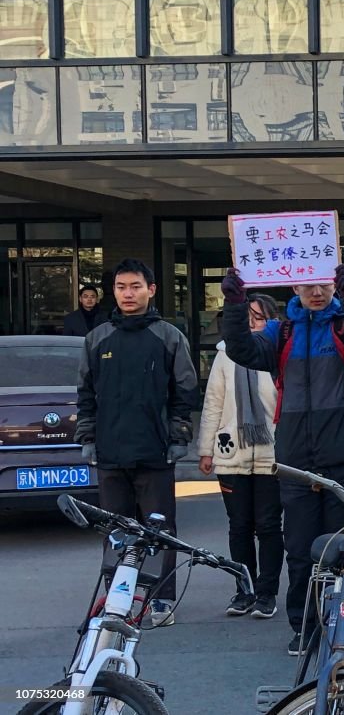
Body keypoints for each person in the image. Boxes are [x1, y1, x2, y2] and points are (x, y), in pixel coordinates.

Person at [220, 264, 344, 655]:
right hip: (296, 461)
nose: (316, 292)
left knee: (339, 550)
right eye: (308, 284)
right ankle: (304, 626)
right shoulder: (282, 332)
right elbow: (241, 349)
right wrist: (234, 302)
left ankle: (338, 624)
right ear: (294, 284)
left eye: (324, 285)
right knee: (300, 550)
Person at [75, 258, 199, 626]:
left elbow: (186, 390)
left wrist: (179, 436)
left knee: (160, 530)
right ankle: (119, 598)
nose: (128, 294)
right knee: (116, 531)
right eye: (121, 287)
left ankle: (161, 599)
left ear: (151, 290)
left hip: (155, 451)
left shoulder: (169, 336)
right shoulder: (96, 339)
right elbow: (85, 394)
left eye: (135, 287)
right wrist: (87, 438)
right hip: (110, 453)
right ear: (113, 292)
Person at [197, 293, 283, 620]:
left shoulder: (278, 353)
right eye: (246, 319)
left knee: (269, 526)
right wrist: (205, 450)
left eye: (258, 319)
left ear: (272, 321)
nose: (251, 325)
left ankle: (267, 592)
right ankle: (243, 590)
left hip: (271, 454)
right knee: (239, 526)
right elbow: (213, 405)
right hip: (231, 452)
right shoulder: (224, 354)